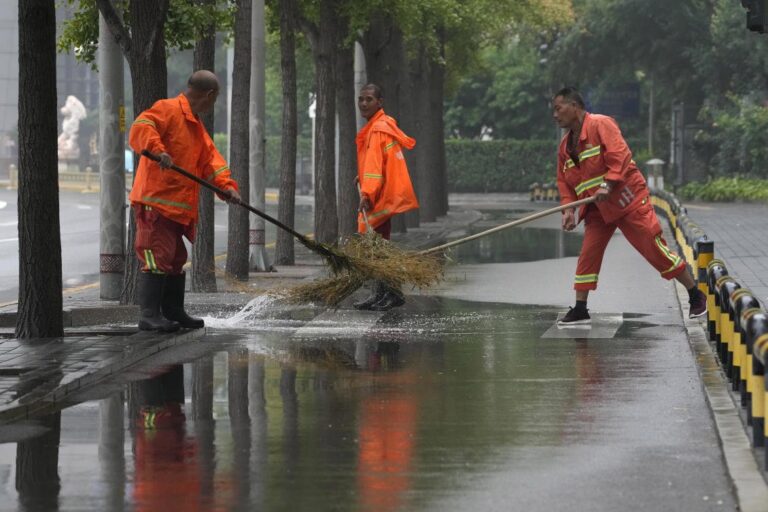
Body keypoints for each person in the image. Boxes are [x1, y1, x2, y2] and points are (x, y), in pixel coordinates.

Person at [552, 87, 707, 327]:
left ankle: (695, 293)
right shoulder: (565, 147)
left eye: (558, 108)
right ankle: (581, 308)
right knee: (588, 255)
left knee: (651, 245)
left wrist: (608, 184)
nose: (555, 114)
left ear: (574, 106)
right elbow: (564, 181)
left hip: (626, 200)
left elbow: (620, 156)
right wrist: (568, 210)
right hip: (597, 209)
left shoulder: (601, 124)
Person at [129, 70, 241, 332]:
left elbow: (211, 162)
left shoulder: (195, 126)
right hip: (156, 202)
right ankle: (149, 315)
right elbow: (141, 127)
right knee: (156, 256)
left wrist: (226, 188)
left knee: (175, 258)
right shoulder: (167, 109)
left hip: (175, 209)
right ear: (210, 95)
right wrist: (159, 151)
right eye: (216, 98)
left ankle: (173, 311)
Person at [354, 83, 419, 311]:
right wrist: (360, 177)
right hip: (383, 192)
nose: (363, 103)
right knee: (379, 246)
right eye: (361, 99)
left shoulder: (378, 128)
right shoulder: (379, 126)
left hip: (379, 196)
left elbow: (374, 168)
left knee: (379, 247)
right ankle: (382, 294)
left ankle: (391, 292)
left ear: (379, 102)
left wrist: (367, 193)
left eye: (369, 99)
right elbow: (378, 163)